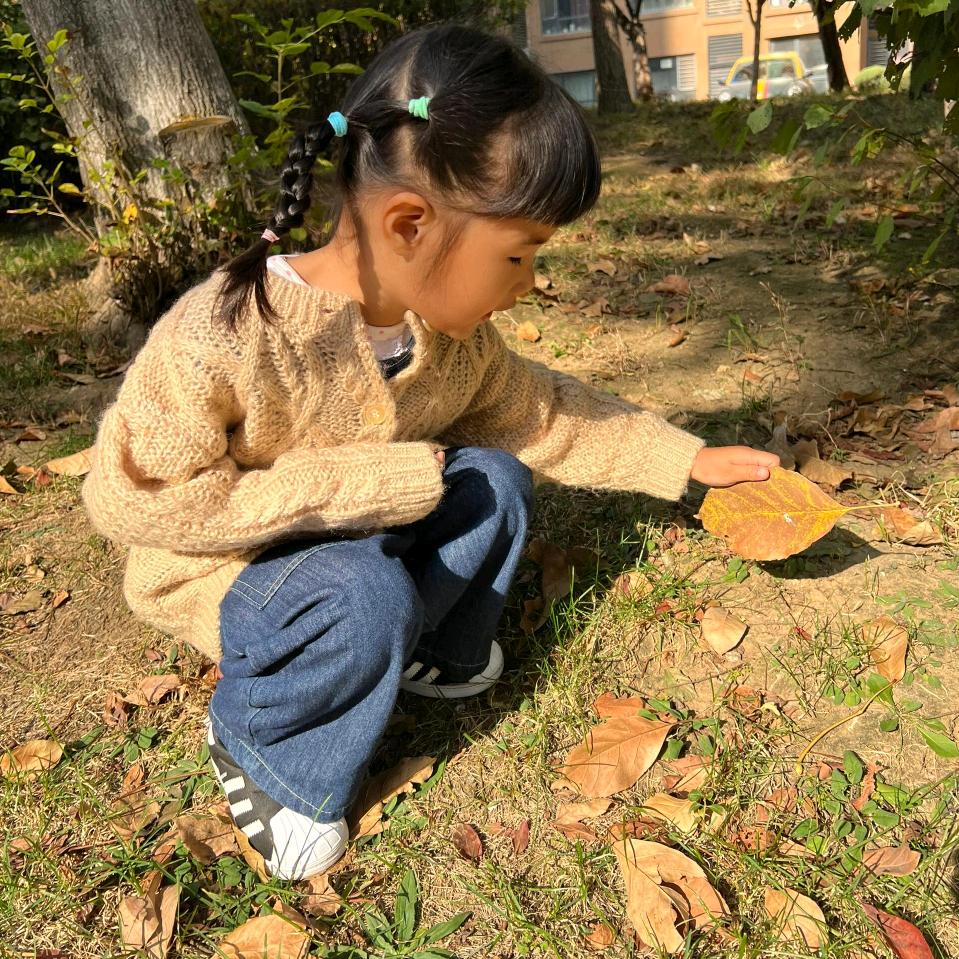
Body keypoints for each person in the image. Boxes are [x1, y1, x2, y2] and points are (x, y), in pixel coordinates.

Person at [81, 23, 779, 882]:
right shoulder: (223, 335)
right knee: (362, 590)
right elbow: (135, 500)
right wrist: (370, 483)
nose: (528, 282)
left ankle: (429, 651)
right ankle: (265, 746)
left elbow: (544, 410)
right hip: (235, 568)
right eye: (518, 253)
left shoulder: (445, 342)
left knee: (494, 477)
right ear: (409, 222)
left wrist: (683, 460)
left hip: (356, 550)